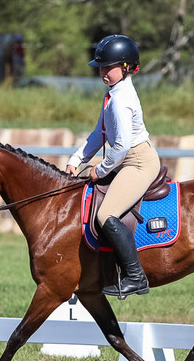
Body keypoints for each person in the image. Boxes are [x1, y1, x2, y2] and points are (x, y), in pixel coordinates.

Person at [66, 35, 161, 297]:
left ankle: (136, 277)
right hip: (125, 159)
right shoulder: (113, 93)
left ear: (127, 67)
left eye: (108, 67)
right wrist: (76, 160)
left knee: (105, 215)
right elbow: (100, 132)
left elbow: (120, 146)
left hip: (138, 162)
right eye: (100, 67)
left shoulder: (121, 99)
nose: (102, 72)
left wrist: (101, 169)